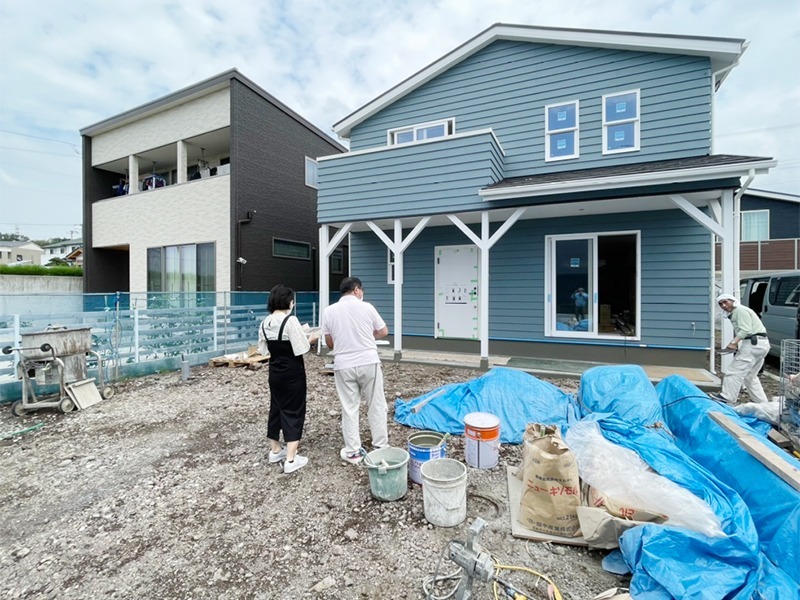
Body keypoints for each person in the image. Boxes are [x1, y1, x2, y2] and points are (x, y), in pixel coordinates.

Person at [321, 277, 389, 464]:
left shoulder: (329, 311)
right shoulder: (367, 307)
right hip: (368, 360)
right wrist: (367, 335)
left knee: (349, 408)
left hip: (343, 364)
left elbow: (329, 342)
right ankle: (381, 446)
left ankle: (352, 451)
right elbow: (383, 331)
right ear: (357, 290)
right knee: (376, 403)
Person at [257, 284, 318, 474]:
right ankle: (291, 459)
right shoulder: (290, 320)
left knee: (276, 408)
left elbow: (263, 350)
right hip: (292, 373)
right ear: (288, 302)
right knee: (294, 410)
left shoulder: (265, 322)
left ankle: (275, 450)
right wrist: (312, 338)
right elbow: (301, 348)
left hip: (274, 372)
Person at [709, 293, 770, 405]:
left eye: (725, 302)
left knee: (734, 371)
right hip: (761, 344)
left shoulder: (739, 310)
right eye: (721, 304)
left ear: (732, 300)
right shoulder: (741, 311)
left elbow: (745, 330)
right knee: (750, 377)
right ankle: (764, 405)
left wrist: (733, 343)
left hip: (752, 343)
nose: (723, 305)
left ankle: (727, 397)